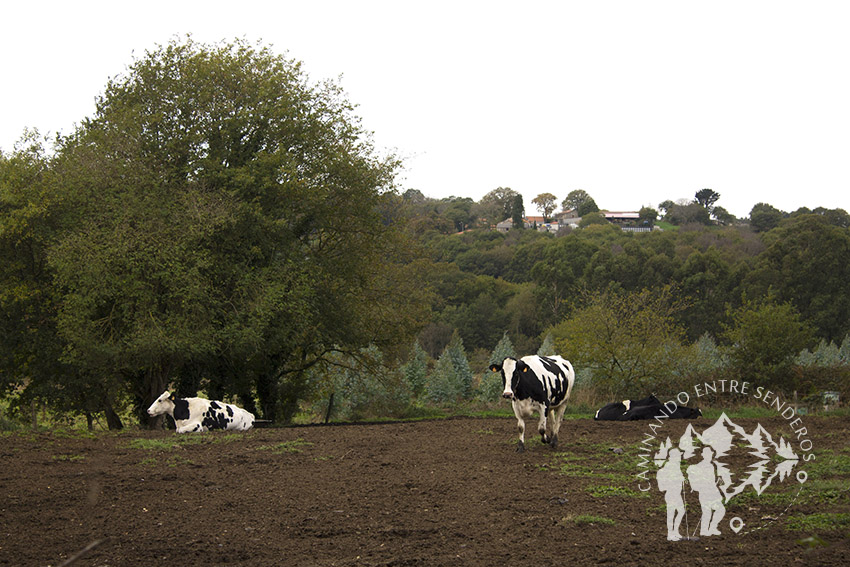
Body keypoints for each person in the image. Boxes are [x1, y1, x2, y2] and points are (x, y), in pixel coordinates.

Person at [686, 446, 725, 536]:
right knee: (707, 512)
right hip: (705, 493)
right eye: (707, 454)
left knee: (720, 510)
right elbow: (701, 482)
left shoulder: (712, 465)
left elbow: (711, 481)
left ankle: (711, 528)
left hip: (713, 492)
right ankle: (704, 531)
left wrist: (718, 481)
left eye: (710, 453)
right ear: (703, 455)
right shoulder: (700, 466)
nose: (709, 455)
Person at [656, 448, 685, 541]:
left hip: (677, 493)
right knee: (671, 513)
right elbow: (670, 480)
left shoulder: (676, 466)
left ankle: (675, 531)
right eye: (679, 456)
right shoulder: (669, 466)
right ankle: (670, 534)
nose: (680, 458)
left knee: (681, 511)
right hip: (672, 493)